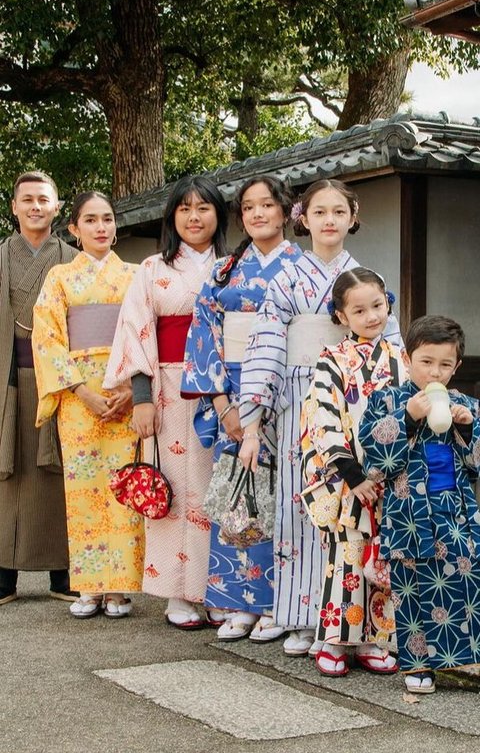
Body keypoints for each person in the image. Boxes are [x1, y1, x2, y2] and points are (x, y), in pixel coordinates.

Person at [239, 179, 402, 656]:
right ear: (302, 218)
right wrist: (254, 418)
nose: (329, 220)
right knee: (304, 506)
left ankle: (355, 625)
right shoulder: (287, 277)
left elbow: (388, 344)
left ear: (353, 217)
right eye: (319, 212)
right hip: (298, 396)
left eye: (339, 211)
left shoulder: (366, 278)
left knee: (357, 513)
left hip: (359, 403)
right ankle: (302, 617)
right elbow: (267, 342)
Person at [181, 174, 302, 641]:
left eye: (267, 204)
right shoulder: (225, 271)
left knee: (284, 499)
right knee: (237, 494)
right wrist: (221, 403)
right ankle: (237, 602)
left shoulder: (305, 267)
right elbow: (204, 338)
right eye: (248, 207)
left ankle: (278, 603)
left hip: (288, 396)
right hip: (231, 392)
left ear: (286, 211)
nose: (257, 214)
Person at [104, 176, 228, 629]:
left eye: (204, 208)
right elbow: (135, 331)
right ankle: (177, 592)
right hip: (170, 386)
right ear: (172, 217)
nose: (194, 217)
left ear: (219, 214)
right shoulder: (153, 267)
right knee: (174, 487)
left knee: (219, 485)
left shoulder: (233, 267)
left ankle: (219, 588)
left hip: (224, 390)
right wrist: (140, 399)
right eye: (184, 209)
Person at [32, 191, 144, 618]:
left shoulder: (137, 275)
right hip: (79, 395)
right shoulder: (60, 277)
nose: (102, 227)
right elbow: (47, 339)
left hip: (125, 388)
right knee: (83, 491)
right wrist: (81, 392)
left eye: (108, 219)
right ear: (74, 229)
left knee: (123, 485)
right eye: (91, 220)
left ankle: (119, 586)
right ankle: (89, 587)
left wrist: (133, 390)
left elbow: (144, 333)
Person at [359, 315, 480, 694]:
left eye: (445, 365)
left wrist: (466, 427)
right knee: (410, 586)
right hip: (408, 511)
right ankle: (418, 666)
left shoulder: (467, 404)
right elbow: (374, 461)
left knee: (466, 580)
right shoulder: (386, 400)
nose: (435, 372)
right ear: (408, 358)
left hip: (455, 509)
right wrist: (407, 417)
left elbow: (475, 463)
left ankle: (469, 659)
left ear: (456, 366)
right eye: (426, 362)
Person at [300, 267, 407, 676]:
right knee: (347, 556)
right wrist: (352, 473)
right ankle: (336, 638)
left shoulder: (402, 360)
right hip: (348, 477)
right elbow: (322, 419)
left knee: (382, 556)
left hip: (392, 477)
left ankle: (376, 640)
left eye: (377, 306)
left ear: (388, 305)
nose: (371, 316)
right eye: (359, 310)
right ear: (342, 317)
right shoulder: (331, 362)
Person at [0, 170, 78, 606]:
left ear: (56, 207)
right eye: (26, 199)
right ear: (14, 207)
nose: (34, 206)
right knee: (7, 474)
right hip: (6, 378)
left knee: (58, 474)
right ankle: (4, 578)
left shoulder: (71, 258)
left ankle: (62, 575)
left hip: (59, 380)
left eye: (42, 199)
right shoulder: (0, 257)